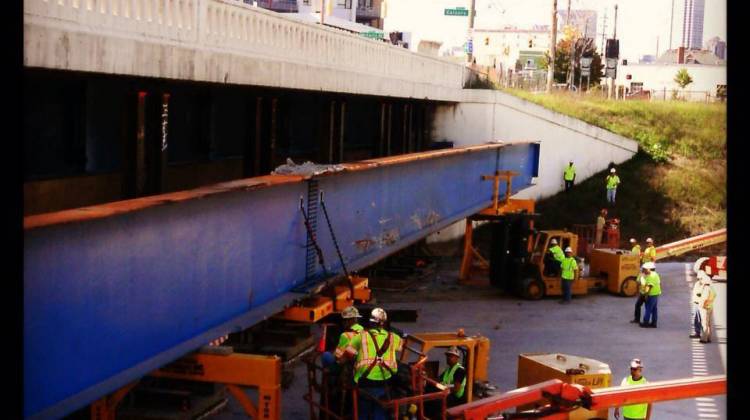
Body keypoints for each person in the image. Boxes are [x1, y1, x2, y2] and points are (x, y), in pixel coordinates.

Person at [347, 307, 403, 420]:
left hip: (365, 381)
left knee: (363, 410)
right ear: (384, 323)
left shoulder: (361, 336)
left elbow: (348, 353)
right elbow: (401, 346)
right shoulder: (393, 337)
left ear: (370, 322)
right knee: (380, 410)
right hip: (386, 381)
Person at [691, 272, 717, 343]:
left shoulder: (705, 288)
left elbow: (704, 298)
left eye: (701, 279)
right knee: (709, 324)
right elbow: (714, 295)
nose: (700, 280)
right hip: (710, 307)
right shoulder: (711, 288)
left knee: (704, 324)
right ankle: (709, 338)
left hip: (705, 308)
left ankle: (704, 339)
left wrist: (701, 305)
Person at [640, 262, 661, 328]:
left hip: (651, 295)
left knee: (648, 308)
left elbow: (649, 287)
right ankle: (654, 323)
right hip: (656, 294)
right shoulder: (655, 274)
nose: (643, 271)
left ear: (649, 269)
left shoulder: (651, 276)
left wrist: (645, 295)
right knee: (654, 309)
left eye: (644, 269)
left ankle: (645, 322)